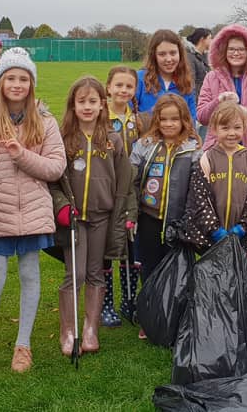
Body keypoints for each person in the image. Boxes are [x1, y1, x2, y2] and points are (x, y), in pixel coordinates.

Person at [0, 48, 66, 374]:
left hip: (34, 214)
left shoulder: (46, 123)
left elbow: (55, 168)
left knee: (30, 277)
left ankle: (24, 345)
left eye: (24, 78)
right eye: (11, 78)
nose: (17, 84)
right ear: (0, 82)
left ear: (32, 83)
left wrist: (22, 155)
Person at [50, 76, 131, 356]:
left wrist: (123, 214)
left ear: (102, 105)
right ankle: (68, 330)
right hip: (74, 218)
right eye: (81, 101)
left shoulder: (112, 139)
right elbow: (53, 181)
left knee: (97, 272)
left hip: (102, 217)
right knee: (77, 272)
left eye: (92, 101)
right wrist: (61, 205)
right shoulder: (62, 138)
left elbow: (124, 181)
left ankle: (90, 328)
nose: (87, 106)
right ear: (73, 105)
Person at [177, 102, 247, 254]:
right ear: (214, 130)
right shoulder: (206, 159)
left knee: (238, 275)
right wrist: (214, 229)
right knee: (213, 275)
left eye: (237, 127)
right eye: (225, 128)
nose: (231, 133)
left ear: (245, 128)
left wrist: (244, 226)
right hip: (211, 236)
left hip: (240, 236)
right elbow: (199, 197)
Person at [129, 94, 199, 280]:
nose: (169, 124)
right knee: (148, 267)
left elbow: (196, 190)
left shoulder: (193, 149)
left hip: (178, 221)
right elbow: (133, 182)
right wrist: (132, 214)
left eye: (174, 119)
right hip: (148, 218)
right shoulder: (145, 145)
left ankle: (172, 309)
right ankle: (148, 307)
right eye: (164, 119)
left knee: (175, 271)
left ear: (184, 119)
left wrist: (189, 220)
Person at [197, 24, 247, 155]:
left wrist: (243, 112)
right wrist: (218, 102)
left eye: (241, 49)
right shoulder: (211, 78)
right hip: (217, 152)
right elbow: (202, 117)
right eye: (231, 49)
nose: (236, 53)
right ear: (224, 51)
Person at [103, 65, 140, 326]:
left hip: (132, 191)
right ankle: (107, 305)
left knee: (131, 246)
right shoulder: (100, 118)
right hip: (106, 191)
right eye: (119, 85)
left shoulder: (138, 121)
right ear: (108, 87)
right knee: (106, 248)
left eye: (129, 86)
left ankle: (130, 300)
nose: (123, 90)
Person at [135, 30, 196, 118]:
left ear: (180, 53)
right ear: (154, 56)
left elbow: (191, 121)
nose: (168, 59)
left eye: (173, 53)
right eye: (162, 54)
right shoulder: (139, 79)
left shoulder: (186, 82)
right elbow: (129, 116)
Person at [184, 28, 211, 101]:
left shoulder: (205, 57)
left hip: (205, 100)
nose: (211, 41)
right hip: (197, 102)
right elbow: (191, 84)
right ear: (202, 39)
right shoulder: (190, 57)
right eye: (209, 38)